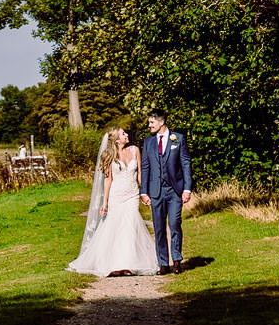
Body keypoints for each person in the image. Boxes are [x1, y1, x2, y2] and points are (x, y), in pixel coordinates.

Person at [66, 127, 158, 277]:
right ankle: (115, 264)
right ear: (116, 140)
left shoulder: (135, 150)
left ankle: (128, 264)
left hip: (132, 194)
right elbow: (108, 179)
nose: (127, 135)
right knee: (116, 227)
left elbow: (140, 173)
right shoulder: (109, 156)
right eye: (123, 134)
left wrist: (144, 192)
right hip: (117, 195)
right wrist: (105, 202)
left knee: (131, 226)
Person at [140, 108, 194, 274]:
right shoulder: (148, 142)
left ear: (161, 122)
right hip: (156, 191)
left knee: (175, 224)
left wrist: (187, 188)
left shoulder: (178, 139)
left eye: (152, 122)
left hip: (175, 190)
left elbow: (185, 164)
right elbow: (146, 166)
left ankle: (176, 260)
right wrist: (144, 191)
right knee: (159, 228)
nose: (149, 125)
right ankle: (163, 263)